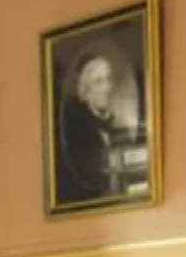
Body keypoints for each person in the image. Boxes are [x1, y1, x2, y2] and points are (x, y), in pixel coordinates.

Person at [57, 53, 134, 205]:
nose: (107, 87)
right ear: (86, 90)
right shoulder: (78, 132)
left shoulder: (115, 125)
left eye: (108, 79)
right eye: (98, 82)